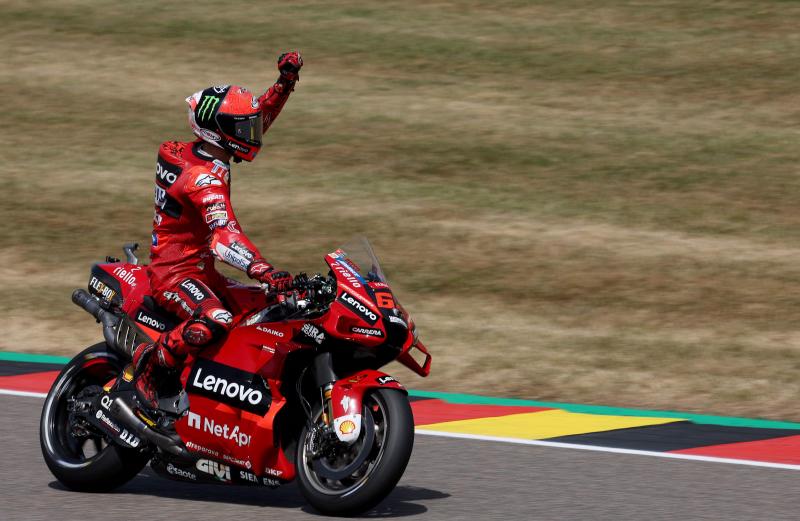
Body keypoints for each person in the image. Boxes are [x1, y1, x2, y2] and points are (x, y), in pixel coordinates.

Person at [130, 51, 303, 411]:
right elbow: (225, 237)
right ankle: (152, 366)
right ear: (220, 132)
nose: (254, 133)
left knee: (274, 308)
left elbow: (258, 117)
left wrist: (283, 86)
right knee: (216, 318)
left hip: (203, 271)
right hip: (174, 275)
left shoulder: (203, 153)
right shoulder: (202, 179)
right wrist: (266, 271)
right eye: (244, 129)